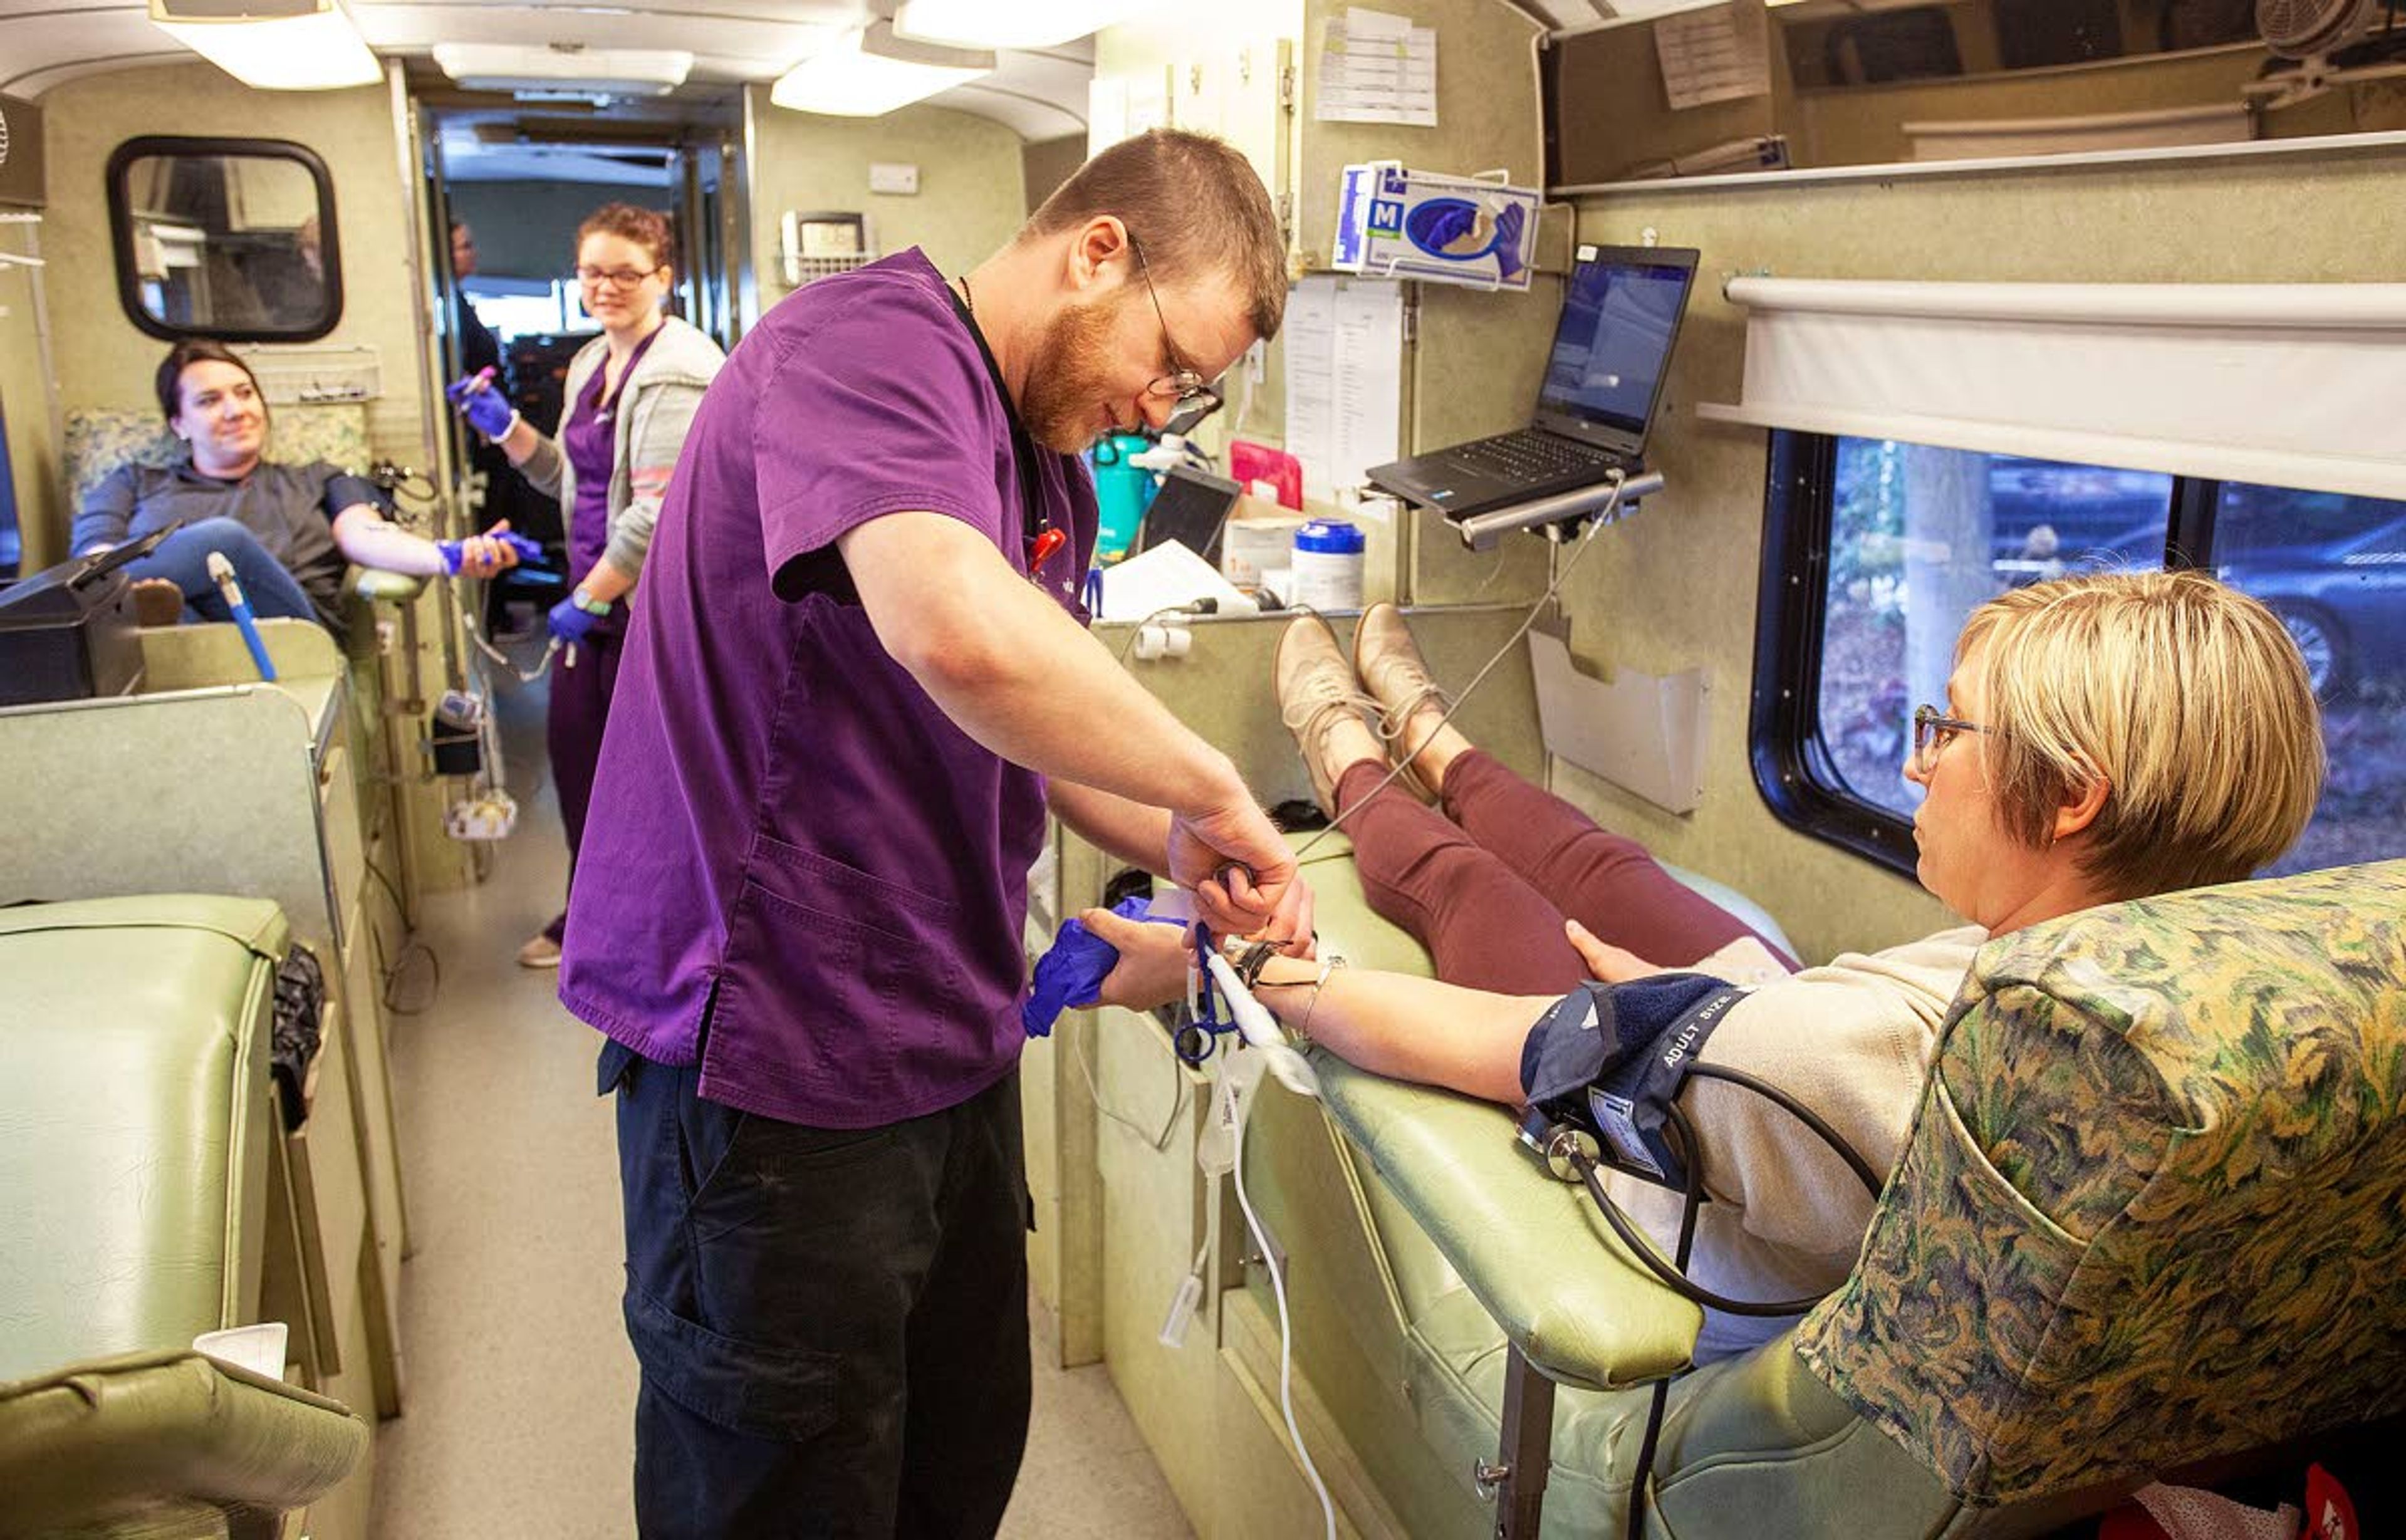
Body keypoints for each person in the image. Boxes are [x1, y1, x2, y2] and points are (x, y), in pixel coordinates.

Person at [556, 129, 1310, 1538]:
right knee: (789, 1485)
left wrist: (1177, 839)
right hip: (772, 1054)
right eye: (1171, 362)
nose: (1161, 408)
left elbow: (1030, 718)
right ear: (1099, 252)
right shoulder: (865, 349)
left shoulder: (1051, 473)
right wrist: (1216, 785)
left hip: (938, 1044)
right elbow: (957, 635)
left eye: (1192, 391)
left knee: (948, 1466)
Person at [1081, 575, 2326, 1361]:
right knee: (1601, 863)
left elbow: (1507, 1046)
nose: (1918, 762)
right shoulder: (2178, 974)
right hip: (1771, 1061)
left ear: (2071, 799)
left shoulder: (1827, 1058)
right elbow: (1805, 1040)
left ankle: (1346, 742)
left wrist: (1251, 966)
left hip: (1697, 1156)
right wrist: (1710, 1008)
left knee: (1479, 888)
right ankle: (1434, 728)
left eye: (1948, 729)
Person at [444, 203, 724, 971]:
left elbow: (658, 511)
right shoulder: (595, 366)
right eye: (593, 272)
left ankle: (656, 937)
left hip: (646, 611)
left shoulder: (678, 369)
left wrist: (594, 596)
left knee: (649, 782)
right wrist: (506, 431)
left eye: (626, 274)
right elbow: (575, 481)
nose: (607, 287)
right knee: (584, 769)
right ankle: (601, 918)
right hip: (599, 599)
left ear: (663, 278)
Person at [74, 340, 520, 637]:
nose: (235, 410)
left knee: (222, 541)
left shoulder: (317, 477)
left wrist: (453, 555)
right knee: (133, 590)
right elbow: (93, 556)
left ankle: (137, 609)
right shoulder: (135, 481)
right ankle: (153, 611)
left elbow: (367, 536)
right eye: (209, 401)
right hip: (169, 649)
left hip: (286, 641)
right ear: (178, 423)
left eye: (245, 393)